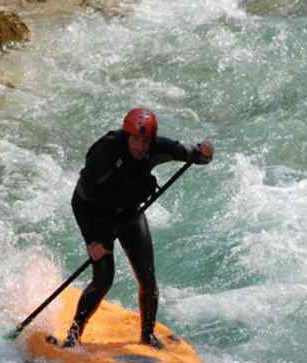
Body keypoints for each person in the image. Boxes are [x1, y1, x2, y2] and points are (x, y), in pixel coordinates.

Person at [50, 108, 214, 349]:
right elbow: (80, 201)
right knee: (104, 278)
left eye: (145, 141)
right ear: (126, 136)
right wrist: (91, 240)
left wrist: (205, 152)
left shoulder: (157, 148)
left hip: (129, 215)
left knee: (148, 278)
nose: (140, 146)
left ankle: (147, 335)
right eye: (135, 140)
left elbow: (195, 156)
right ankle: (73, 336)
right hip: (98, 217)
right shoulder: (104, 152)